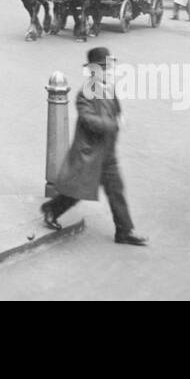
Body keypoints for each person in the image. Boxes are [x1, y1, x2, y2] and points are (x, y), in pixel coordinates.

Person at [40, 47, 148, 246]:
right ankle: (51, 210)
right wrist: (115, 124)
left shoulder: (107, 88)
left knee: (116, 189)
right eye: (105, 68)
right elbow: (88, 120)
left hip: (106, 152)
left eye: (109, 67)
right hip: (90, 153)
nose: (109, 71)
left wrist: (119, 116)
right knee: (76, 192)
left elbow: (115, 109)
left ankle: (124, 231)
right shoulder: (86, 93)